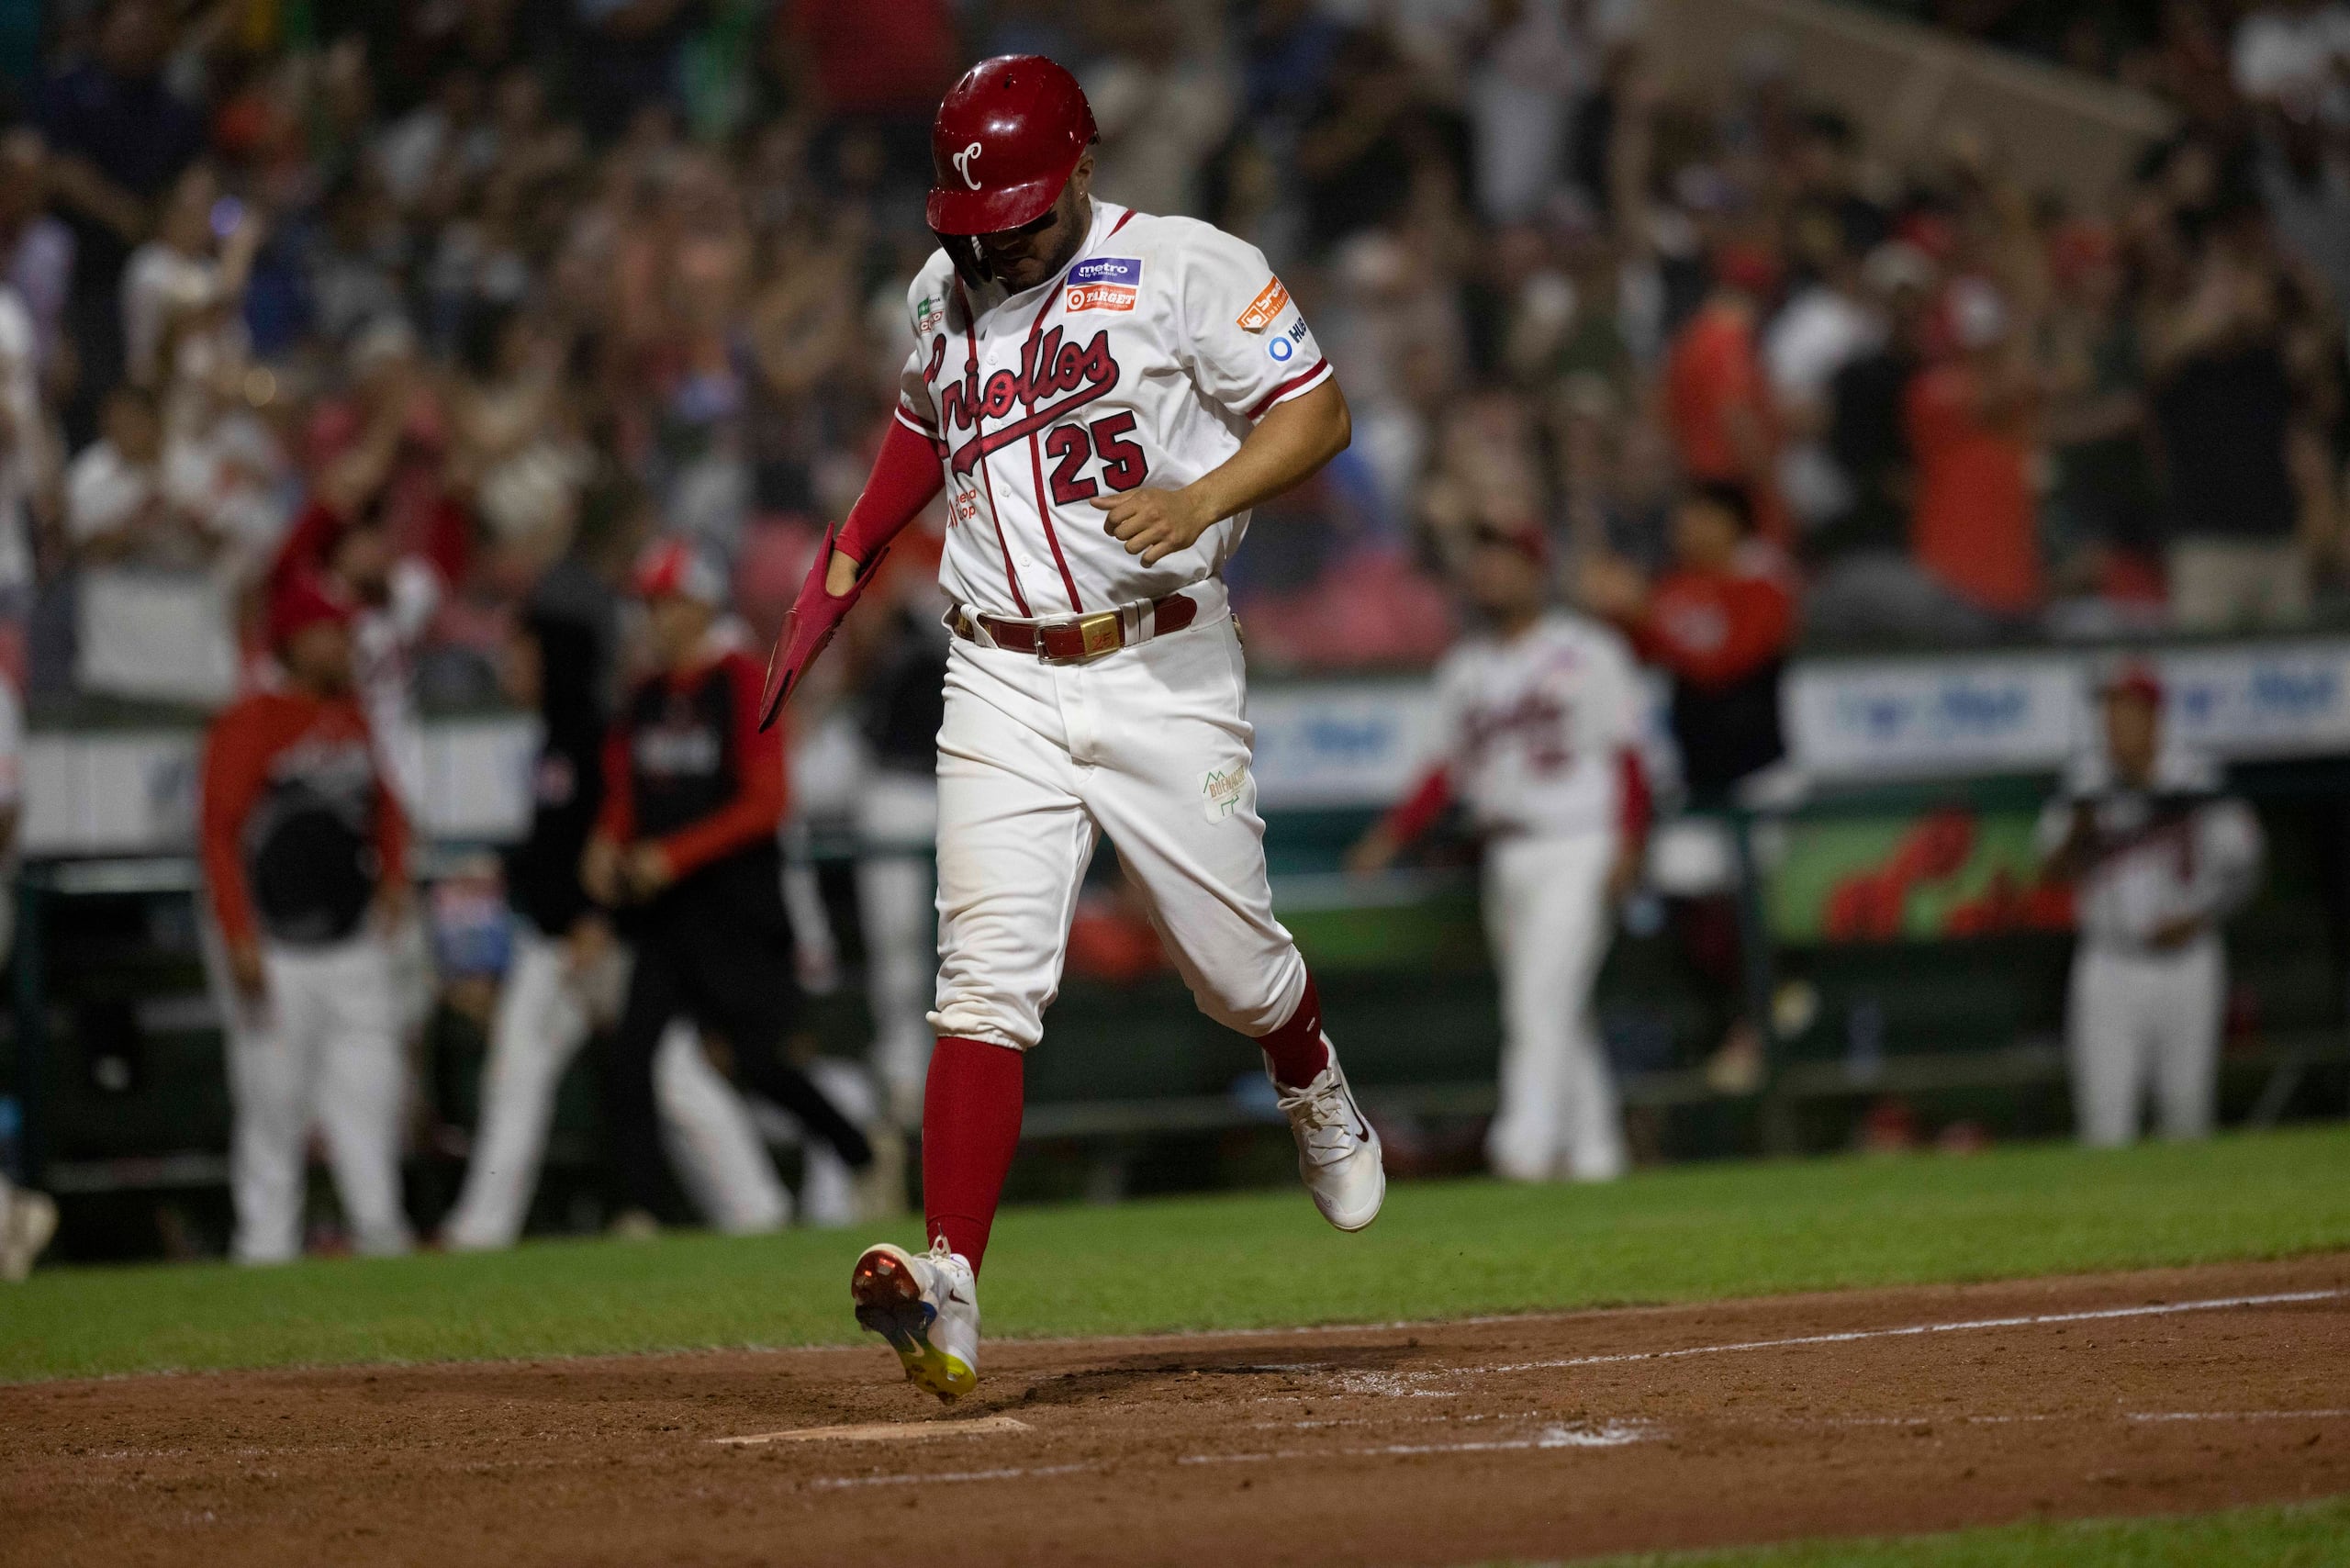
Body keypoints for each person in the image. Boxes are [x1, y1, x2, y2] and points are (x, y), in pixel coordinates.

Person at [761, 56, 1382, 1403]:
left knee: (1233, 974)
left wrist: (1205, 491)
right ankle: (950, 1285)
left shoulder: (1186, 265)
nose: (994, 245)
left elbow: (1319, 412)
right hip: (997, 675)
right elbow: (926, 424)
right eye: (972, 224)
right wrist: (852, 550)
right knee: (983, 982)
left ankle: (1308, 1068)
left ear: (1084, 172)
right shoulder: (941, 291)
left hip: (1160, 666)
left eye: (1020, 220)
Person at [442, 596, 790, 1249]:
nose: (509, 662)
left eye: (523, 649)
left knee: (668, 1076)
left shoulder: (593, 728)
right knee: (531, 1075)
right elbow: (562, 849)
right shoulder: (557, 731)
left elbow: (620, 832)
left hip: (602, 942)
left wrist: (601, 915)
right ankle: (477, 1232)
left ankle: (759, 1208)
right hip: (565, 943)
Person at [584, 540, 877, 1235]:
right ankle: (642, 1211)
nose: (655, 619)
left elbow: (767, 800)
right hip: (669, 914)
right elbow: (628, 785)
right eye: (649, 605)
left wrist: (673, 856)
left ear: (699, 604)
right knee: (632, 1055)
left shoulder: (744, 679)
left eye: (666, 603)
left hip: (737, 908)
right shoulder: (649, 693)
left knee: (761, 1064)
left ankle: (859, 1149)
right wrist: (607, 840)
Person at [1349, 519, 1648, 1185]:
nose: (1491, 575)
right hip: (1506, 853)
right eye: (1483, 563)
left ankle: (1524, 1149)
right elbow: (1442, 771)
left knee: (1537, 1001)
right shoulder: (1466, 668)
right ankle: (1598, 1154)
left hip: (1579, 842)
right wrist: (1391, 834)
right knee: (1553, 1003)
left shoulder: (1588, 649)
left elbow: (1629, 756)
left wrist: (1630, 844)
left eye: (1507, 561)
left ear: (1537, 571)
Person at [199, 575, 414, 1263]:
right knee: (273, 1108)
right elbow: (218, 836)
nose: (347, 643)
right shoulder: (251, 721)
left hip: (351, 945)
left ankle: (381, 1239)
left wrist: (396, 876)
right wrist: (237, 935)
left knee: (370, 1102)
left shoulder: (353, 715)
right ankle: (264, 1251)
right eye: (333, 631)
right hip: (280, 945)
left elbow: (389, 808)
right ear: (294, 639)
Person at [2038, 660, 2264, 1148]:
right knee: (2104, 1121)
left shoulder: (2197, 775)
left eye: (2127, 710)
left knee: (2187, 1113)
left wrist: (2202, 916)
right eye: (2110, 711)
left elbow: (2246, 866)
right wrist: (2082, 826)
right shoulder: (2085, 779)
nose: (2116, 723)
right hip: (2110, 961)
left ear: (2154, 716)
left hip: (2189, 961)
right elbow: (2051, 871)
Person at [1584, 482, 1794, 800]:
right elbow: (1634, 655)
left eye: (1700, 517)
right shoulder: (1672, 586)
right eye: (1683, 518)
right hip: (1695, 771)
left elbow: (1727, 665)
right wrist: (1612, 613)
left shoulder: (1764, 587)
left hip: (1761, 768)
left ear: (1732, 524)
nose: (1686, 527)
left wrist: (1645, 617)